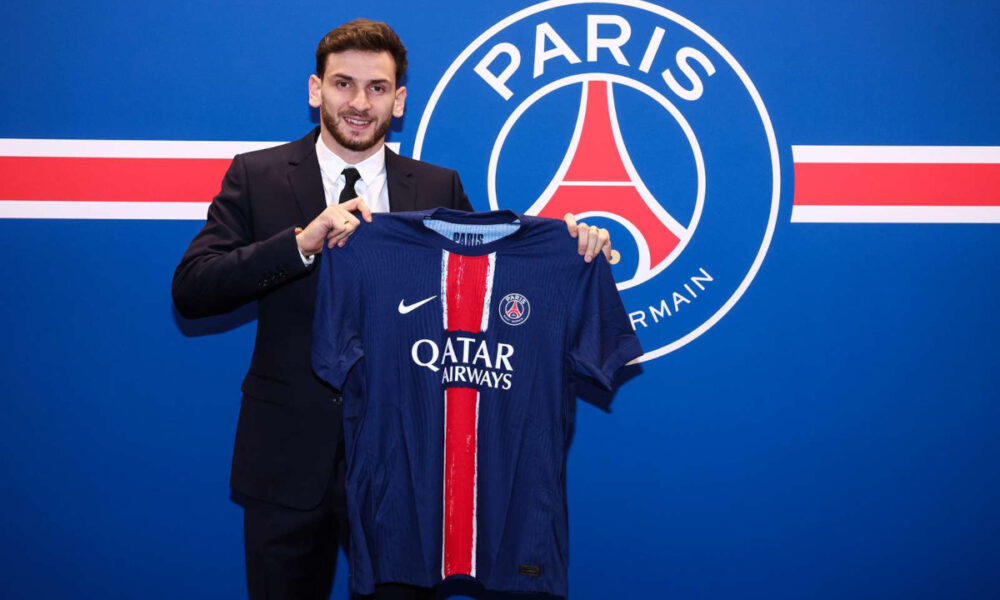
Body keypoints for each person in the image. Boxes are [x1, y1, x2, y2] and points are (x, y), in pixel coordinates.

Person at [172, 19, 611, 600]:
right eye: (343, 84)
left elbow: (485, 291)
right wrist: (300, 244)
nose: (359, 103)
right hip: (288, 459)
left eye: (376, 88)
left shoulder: (438, 187)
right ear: (315, 89)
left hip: (408, 468)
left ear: (399, 100)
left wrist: (574, 247)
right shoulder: (258, 175)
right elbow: (193, 289)